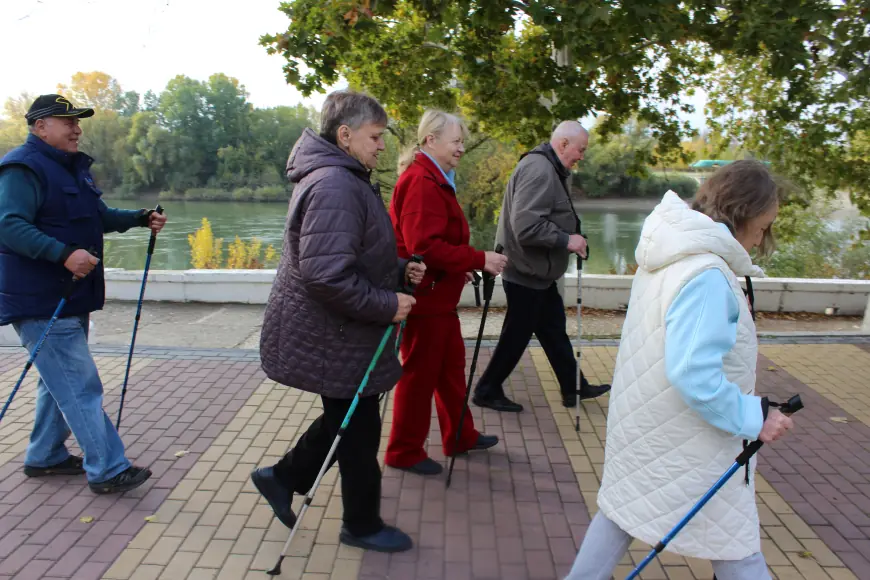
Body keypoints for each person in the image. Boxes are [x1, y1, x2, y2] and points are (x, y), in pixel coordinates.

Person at [565, 160, 794, 580]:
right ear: (742, 215)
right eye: (763, 227)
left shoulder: (674, 251)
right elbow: (694, 374)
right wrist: (754, 416)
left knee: (622, 510)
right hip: (690, 439)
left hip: (650, 425)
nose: (762, 238)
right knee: (736, 546)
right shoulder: (706, 274)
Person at [254, 90, 425, 553]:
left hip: (340, 331)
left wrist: (398, 266)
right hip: (334, 333)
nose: (382, 146)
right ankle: (360, 524)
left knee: (349, 422)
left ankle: (283, 476)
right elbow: (327, 276)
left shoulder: (345, 177)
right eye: (375, 136)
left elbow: (353, 253)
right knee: (357, 427)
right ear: (345, 135)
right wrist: (388, 303)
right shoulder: (335, 184)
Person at [0, 94, 167, 494]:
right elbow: (8, 224)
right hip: (41, 298)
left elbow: (98, 216)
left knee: (57, 381)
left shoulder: (71, 169)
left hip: (72, 295)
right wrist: (63, 255)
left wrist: (139, 218)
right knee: (80, 385)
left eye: (77, 121)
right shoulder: (22, 169)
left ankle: (45, 456)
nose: (76, 128)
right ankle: (108, 469)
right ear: (40, 127)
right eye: (66, 121)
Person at [384, 110, 508, 476]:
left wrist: (461, 266)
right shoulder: (423, 182)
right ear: (430, 141)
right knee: (419, 376)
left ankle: (459, 436)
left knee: (451, 369)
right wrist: (478, 258)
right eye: (455, 141)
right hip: (425, 301)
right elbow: (425, 246)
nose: (462, 148)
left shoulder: (434, 178)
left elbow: (434, 247)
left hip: (438, 297)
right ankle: (404, 451)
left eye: (462, 141)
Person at [473, 121, 610, 413]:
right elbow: (525, 227)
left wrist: (571, 238)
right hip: (526, 272)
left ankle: (574, 387)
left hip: (535, 272)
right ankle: (486, 389)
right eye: (580, 149)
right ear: (562, 144)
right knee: (518, 336)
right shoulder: (540, 170)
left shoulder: (550, 167)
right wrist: (566, 240)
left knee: (552, 329)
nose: (581, 156)